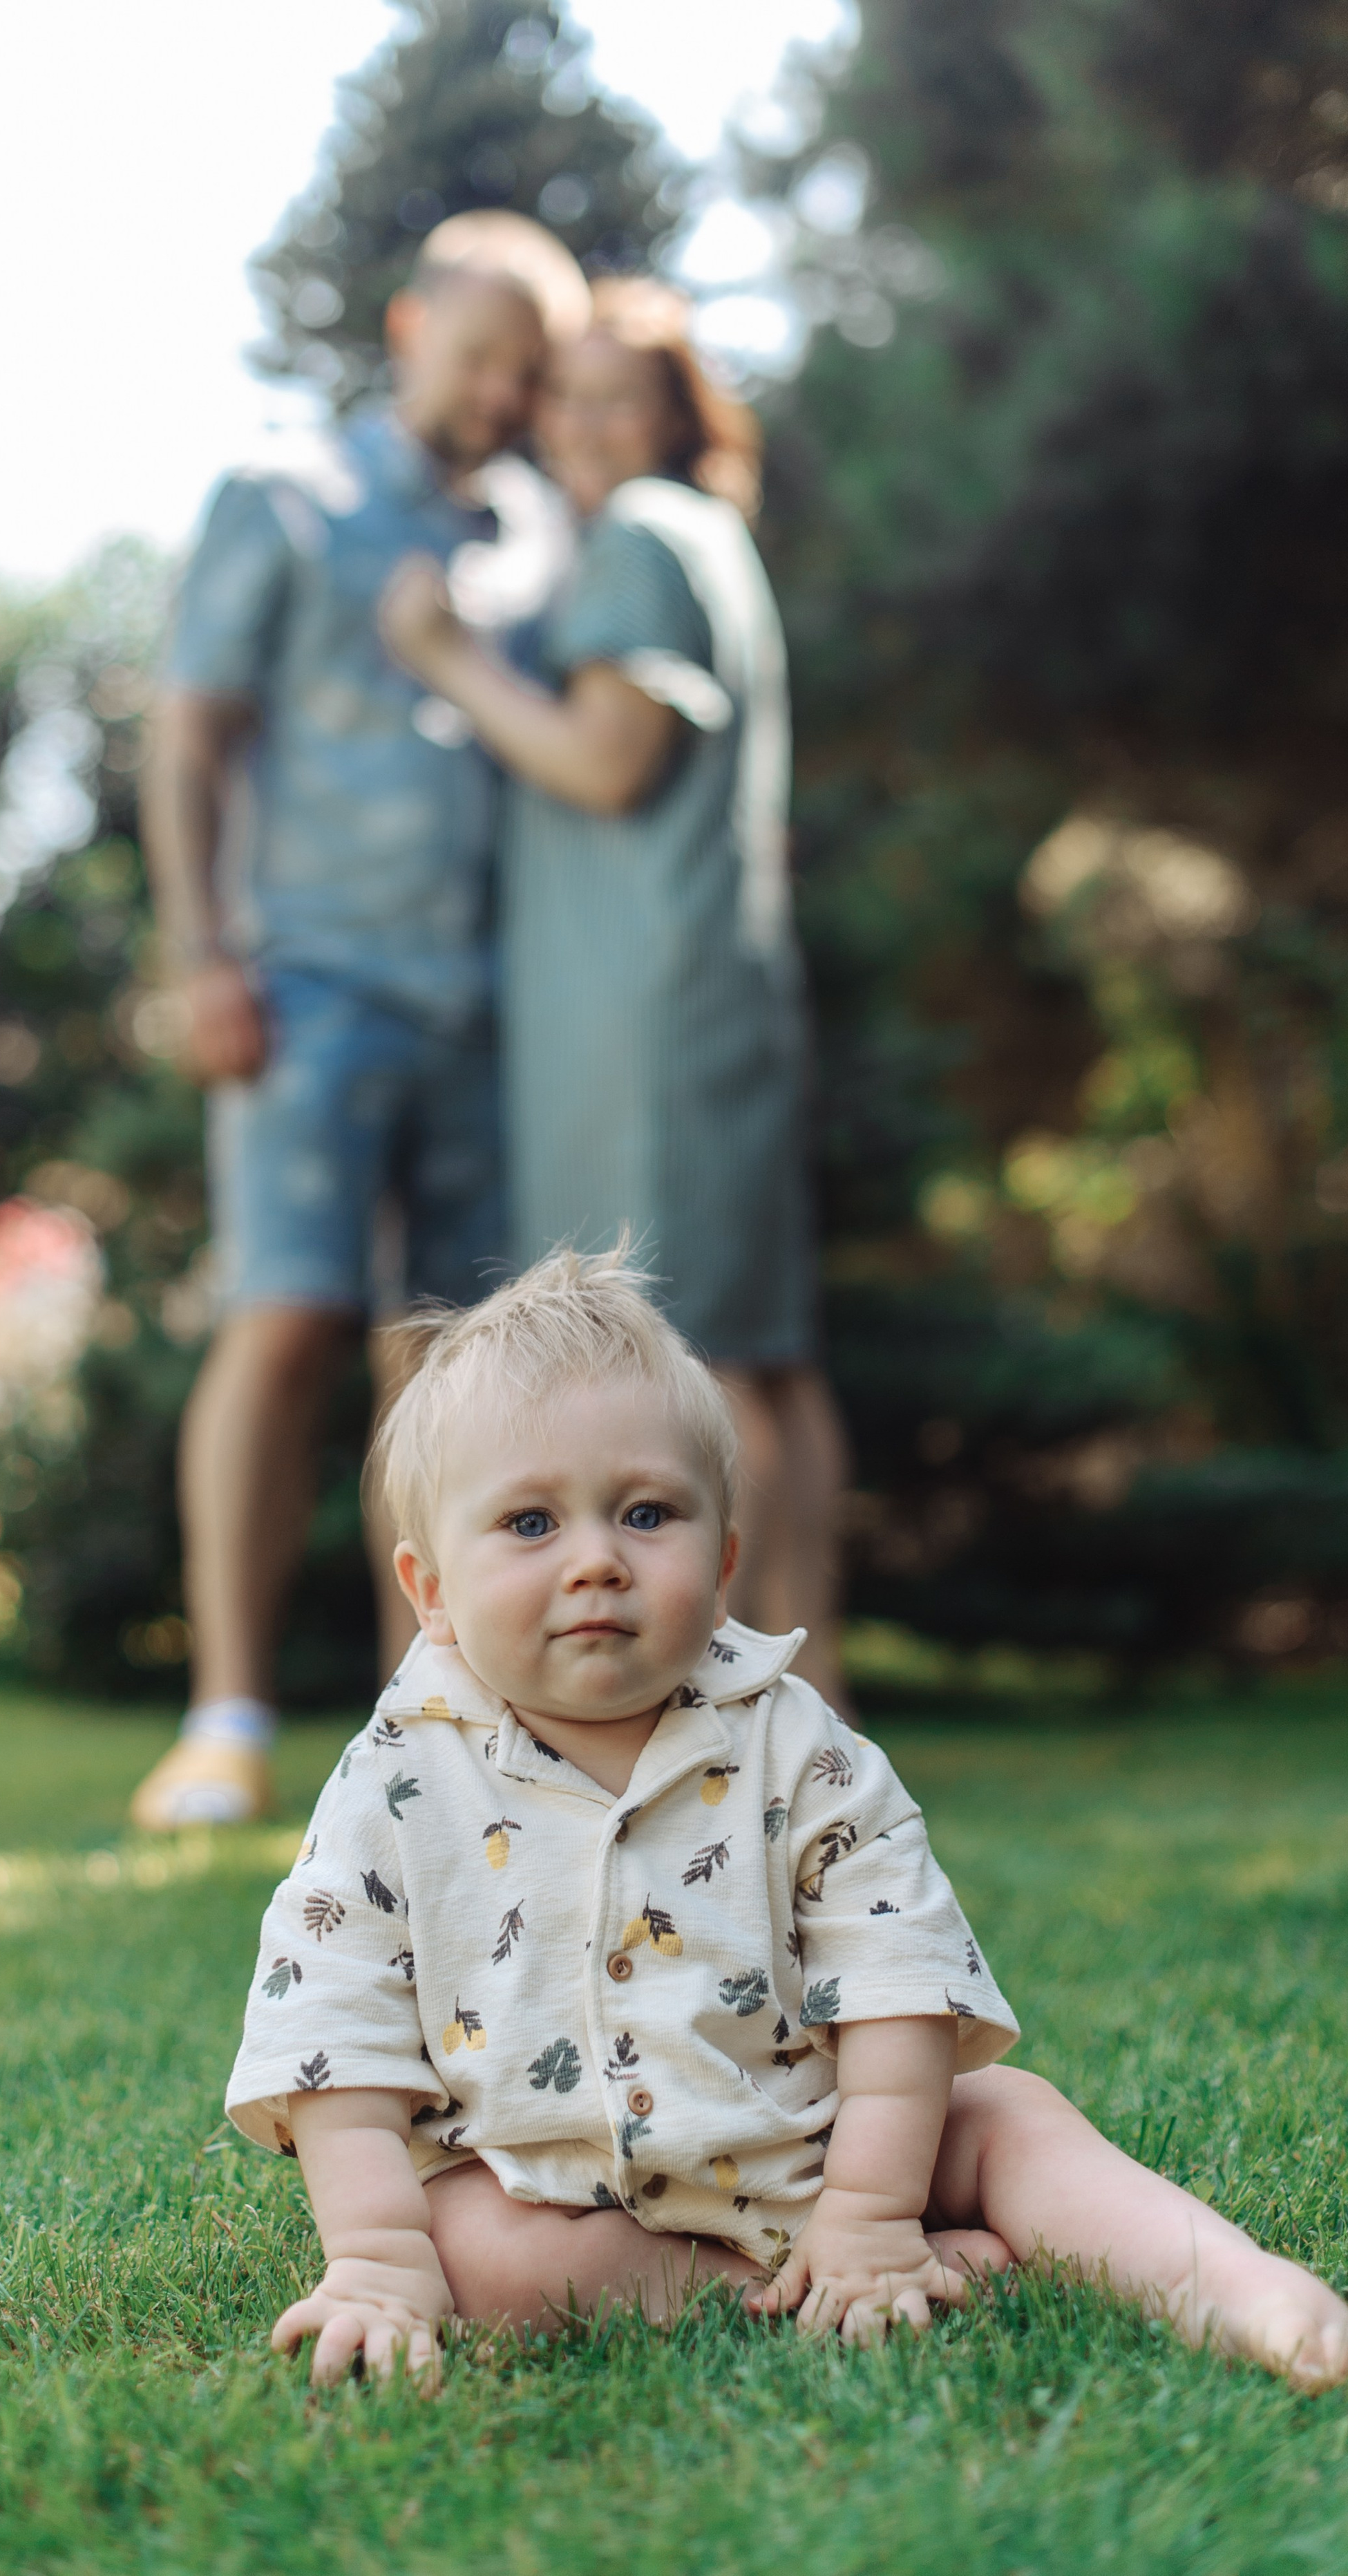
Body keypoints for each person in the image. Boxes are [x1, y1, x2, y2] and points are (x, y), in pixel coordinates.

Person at [227, 1248, 1348, 2391]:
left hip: (829, 2138)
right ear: (431, 1591)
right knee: (476, 2248)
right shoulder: (395, 1777)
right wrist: (377, 2260)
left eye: (645, 1513)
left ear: (723, 1563)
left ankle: (1229, 2285)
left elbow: (897, 1973)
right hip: (556, 2183)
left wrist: (870, 2206)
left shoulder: (797, 1745)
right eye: (529, 1524)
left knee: (1011, 2116)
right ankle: (768, 2289)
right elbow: (338, 2025)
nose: (595, 1562)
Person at [129, 214, 589, 1832]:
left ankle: (433, 1733)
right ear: (407, 328)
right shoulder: (281, 498)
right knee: (286, 1319)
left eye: (527, 370)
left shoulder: (542, 530)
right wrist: (201, 953)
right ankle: (227, 1713)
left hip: (486, 1006)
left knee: (448, 1367)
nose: (501, 390)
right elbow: (186, 736)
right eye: (480, 356)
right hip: (305, 985)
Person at [379, 280, 851, 1714]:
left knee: (700, 1354)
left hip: (643, 1007)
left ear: (669, 417)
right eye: (560, 398)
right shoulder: (710, 538)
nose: (579, 426)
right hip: (710, 987)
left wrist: (443, 656)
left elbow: (604, 759)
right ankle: (813, 1701)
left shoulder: (643, 534)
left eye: (613, 398)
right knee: (764, 1353)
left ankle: (756, 1709)